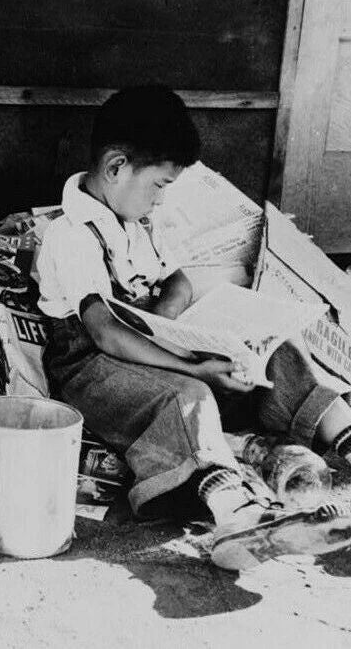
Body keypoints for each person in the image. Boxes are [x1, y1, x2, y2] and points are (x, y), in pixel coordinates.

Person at [36, 85, 351, 570]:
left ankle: (343, 434)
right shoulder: (71, 234)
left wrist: (169, 322)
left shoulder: (139, 219)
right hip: (93, 369)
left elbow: (177, 279)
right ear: (116, 168)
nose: (162, 199)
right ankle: (238, 516)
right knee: (186, 396)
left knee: (275, 345)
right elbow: (105, 333)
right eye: (159, 185)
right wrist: (193, 365)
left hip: (152, 345)